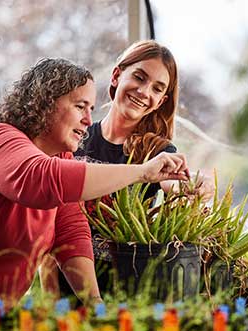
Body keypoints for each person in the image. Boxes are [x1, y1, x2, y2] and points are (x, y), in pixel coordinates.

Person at [0, 58, 189, 309]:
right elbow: (44, 178)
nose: (89, 120)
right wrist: (142, 173)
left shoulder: (60, 157)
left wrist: (96, 306)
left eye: (91, 108)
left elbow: (71, 231)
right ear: (46, 101)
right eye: (81, 106)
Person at [71, 40, 215, 293]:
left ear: (161, 101)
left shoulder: (157, 152)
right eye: (139, 77)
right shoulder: (76, 139)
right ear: (116, 76)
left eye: (157, 89)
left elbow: (176, 182)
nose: (144, 92)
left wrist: (196, 183)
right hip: (69, 281)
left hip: (125, 288)